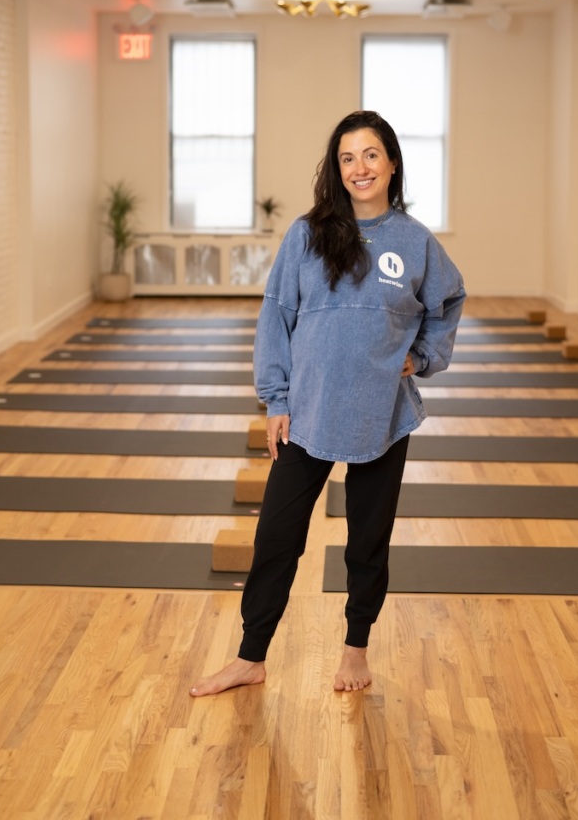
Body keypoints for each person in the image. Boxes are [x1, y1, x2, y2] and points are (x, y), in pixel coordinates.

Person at [190, 110, 465, 697]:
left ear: (391, 162)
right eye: (347, 158)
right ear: (336, 169)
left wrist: (421, 357)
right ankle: (250, 656)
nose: (359, 167)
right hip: (308, 414)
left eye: (370, 155)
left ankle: (355, 651)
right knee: (276, 538)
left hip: (382, 416)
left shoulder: (414, 242)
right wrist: (276, 398)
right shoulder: (306, 234)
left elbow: (448, 301)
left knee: (367, 542)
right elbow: (276, 315)